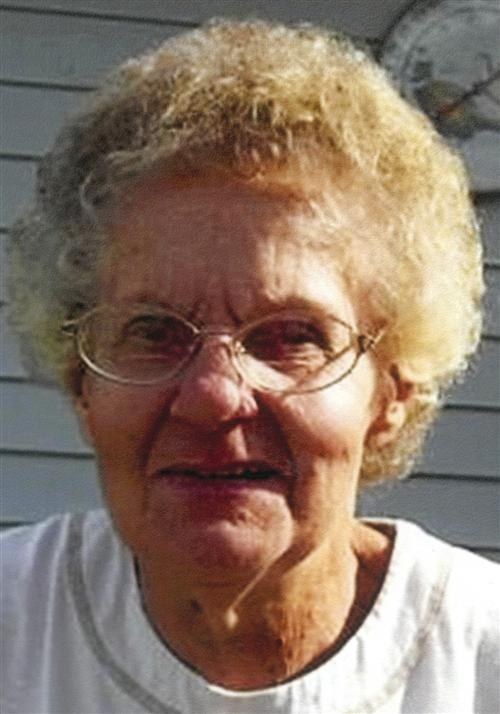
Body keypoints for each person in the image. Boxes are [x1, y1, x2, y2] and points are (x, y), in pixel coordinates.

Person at [1, 18, 498, 714]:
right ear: (83, 383)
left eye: (291, 336)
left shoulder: (478, 662)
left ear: (392, 391)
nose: (212, 396)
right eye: (152, 331)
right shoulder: (17, 629)